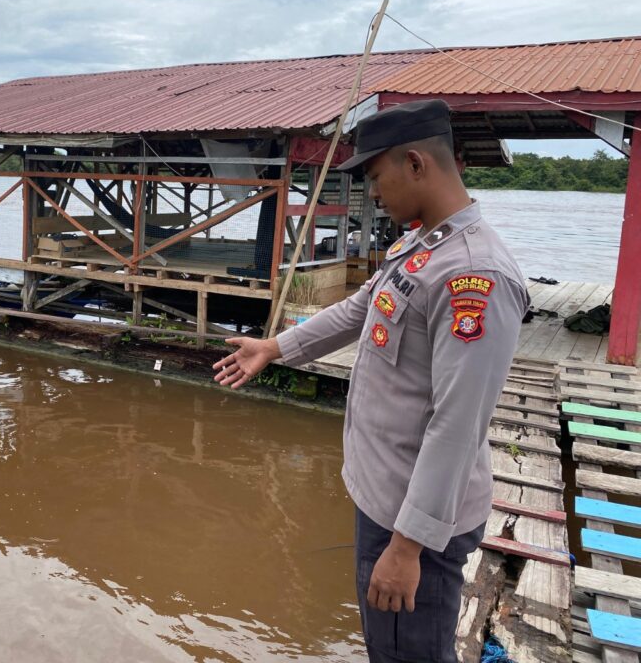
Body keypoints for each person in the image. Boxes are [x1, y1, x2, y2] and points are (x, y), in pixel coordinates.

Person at [213, 99, 528, 662]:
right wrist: (275, 347)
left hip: (416, 524)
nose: (373, 193)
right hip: (385, 500)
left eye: (377, 177)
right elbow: (362, 308)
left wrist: (407, 548)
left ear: (415, 164)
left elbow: (458, 425)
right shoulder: (419, 244)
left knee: (409, 655)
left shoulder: (472, 274)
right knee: (389, 647)